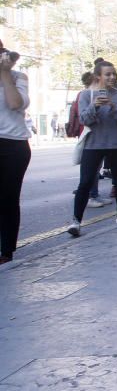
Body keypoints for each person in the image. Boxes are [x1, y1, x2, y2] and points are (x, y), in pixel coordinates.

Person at [68, 60, 117, 236]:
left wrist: (113, 107)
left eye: (114, 74)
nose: (112, 77)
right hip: (93, 144)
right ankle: (76, 221)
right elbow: (84, 120)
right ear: (98, 76)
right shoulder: (85, 95)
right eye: (108, 74)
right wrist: (94, 106)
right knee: (85, 182)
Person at [0, 40, 31, 263]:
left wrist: (4, 74)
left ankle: (6, 250)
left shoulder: (18, 77)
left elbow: (14, 104)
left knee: (8, 198)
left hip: (13, 144)